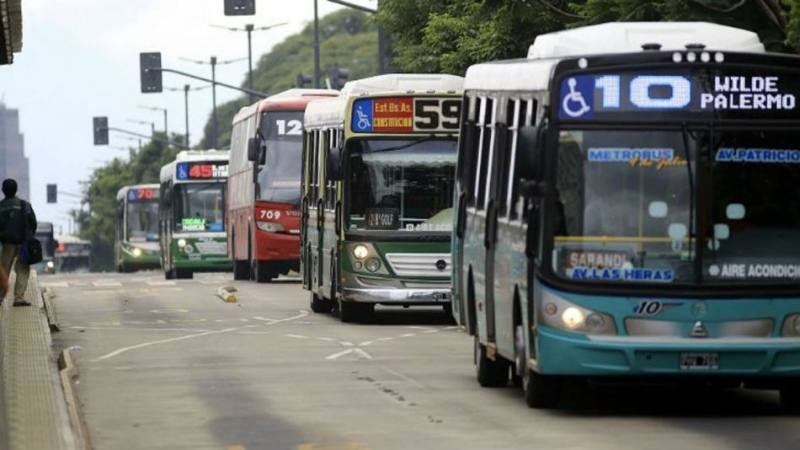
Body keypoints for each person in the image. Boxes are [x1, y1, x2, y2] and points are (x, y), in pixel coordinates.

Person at [0, 179, 37, 306]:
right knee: (22, 269)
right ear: (16, 190)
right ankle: (19, 298)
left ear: (3, 191)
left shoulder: (1, 206)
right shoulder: (24, 204)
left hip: (7, 244)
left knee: (4, 270)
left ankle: (0, 297)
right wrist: (29, 237)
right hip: (23, 243)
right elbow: (33, 222)